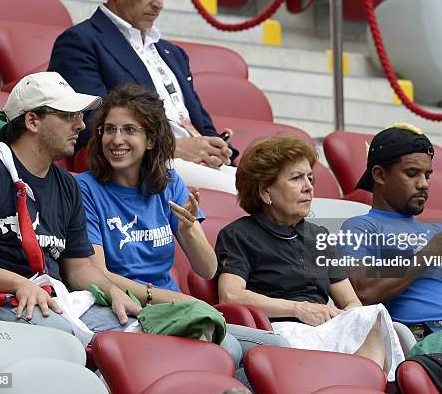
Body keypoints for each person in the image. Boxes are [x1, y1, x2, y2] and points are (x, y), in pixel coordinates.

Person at [75, 82, 290, 379]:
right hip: (127, 308)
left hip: (175, 307)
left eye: (129, 130)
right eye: (109, 130)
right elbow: (99, 275)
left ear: (151, 140)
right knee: (226, 349)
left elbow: (207, 269)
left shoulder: (168, 182)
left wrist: (190, 230)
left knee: (278, 349)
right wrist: (169, 299)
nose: (116, 139)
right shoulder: (86, 188)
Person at [0, 72, 141, 338]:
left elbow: (78, 266)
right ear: (32, 121)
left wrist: (112, 291)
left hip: (54, 300)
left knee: (137, 332)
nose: (81, 126)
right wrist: (18, 283)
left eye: (80, 116)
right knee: (61, 337)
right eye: (69, 116)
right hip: (1, 303)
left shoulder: (66, 184)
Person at [214, 136, 405, 381]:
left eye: (310, 178)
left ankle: (361, 384)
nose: (309, 187)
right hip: (277, 331)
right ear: (265, 191)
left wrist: (339, 318)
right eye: (296, 178)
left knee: (372, 315)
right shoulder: (238, 234)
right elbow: (230, 295)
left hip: (322, 328)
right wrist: (298, 309)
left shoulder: (319, 237)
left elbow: (351, 302)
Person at [49, 0, 237, 193]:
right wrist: (172, 147)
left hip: (189, 161)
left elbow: (201, 123)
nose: (158, 3)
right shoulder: (80, 41)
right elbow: (90, 123)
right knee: (248, 195)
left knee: (273, 186)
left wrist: (216, 148)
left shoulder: (173, 53)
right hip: (137, 161)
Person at [337, 123, 442, 341]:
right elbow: (361, 293)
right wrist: (429, 254)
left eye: (427, 175)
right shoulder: (360, 227)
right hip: (422, 340)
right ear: (380, 175)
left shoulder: (439, 233)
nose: (423, 184)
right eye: (412, 174)